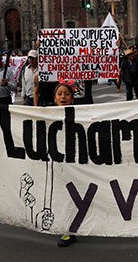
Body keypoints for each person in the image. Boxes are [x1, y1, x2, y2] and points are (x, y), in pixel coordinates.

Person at [52, 82, 79, 247]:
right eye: (60, 94)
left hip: (77, 162)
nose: (63, 97)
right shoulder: (47, 115)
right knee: (62, 194)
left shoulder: (80, 115)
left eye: (67, 94)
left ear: (73, 98)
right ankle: (68, 228)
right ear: (55, 99)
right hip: (58, 162)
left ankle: (72, 228)